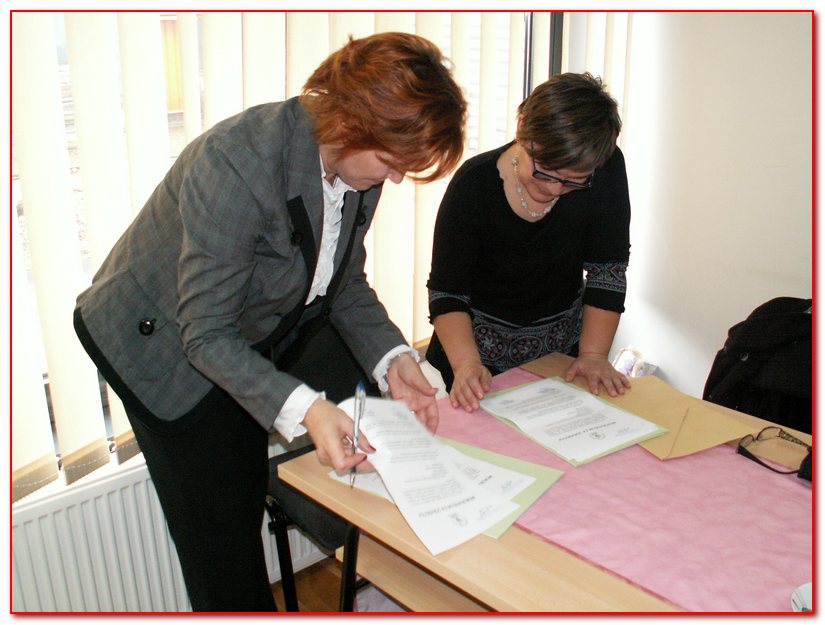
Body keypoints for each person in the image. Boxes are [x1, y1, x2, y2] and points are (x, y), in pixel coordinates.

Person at [73, 32, 467, 612]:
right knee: (222, 541)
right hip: (158, 343)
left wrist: (394, 360)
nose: (395, 179)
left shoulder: (357, 167)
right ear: (348, 121)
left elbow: (342, 281)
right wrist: (308, 408)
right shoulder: (236, 164)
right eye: (391, 163)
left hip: (243, 327)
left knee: (258, 477)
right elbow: (206, 334)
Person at [425, 72, 631, 413]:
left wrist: (594, 355)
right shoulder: (474, 185)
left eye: (573, 181)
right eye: (545, 169)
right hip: (474, 363)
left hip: (561, 360)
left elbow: (607, 269)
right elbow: (448, 292)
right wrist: (466, 364)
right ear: (522, 127)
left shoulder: (604, 169)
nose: (554, 188)